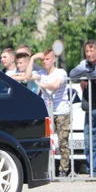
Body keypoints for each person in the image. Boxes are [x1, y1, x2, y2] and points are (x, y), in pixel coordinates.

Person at [24, 49, 72, 177]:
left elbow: (56, 85)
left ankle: (64, 169)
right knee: (45, 141)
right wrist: (33, 58)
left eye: (47, 59)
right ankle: (47, 169)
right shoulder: (41, 73)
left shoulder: (60, 72)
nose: (45, 62)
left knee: (63, 142)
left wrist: (42, 85)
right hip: (48, 112)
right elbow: (28, 76)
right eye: (43, 60)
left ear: (54, 59)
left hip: (61, 112)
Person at [69, 39, 96, 176]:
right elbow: (72, 74)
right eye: (87, 51)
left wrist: (86, 77)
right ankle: (93, 172)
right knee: (89, 142)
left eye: (92, 50)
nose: (88, 54)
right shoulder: (85, 64)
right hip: (90, 108)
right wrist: (86, 77)